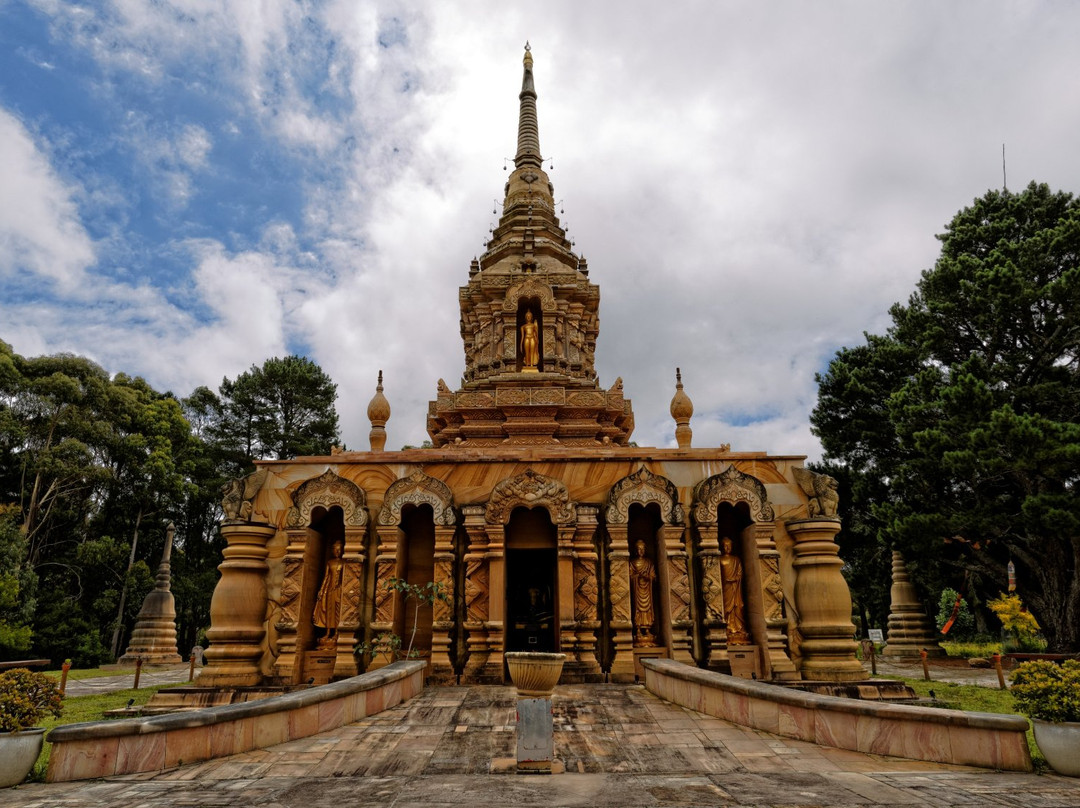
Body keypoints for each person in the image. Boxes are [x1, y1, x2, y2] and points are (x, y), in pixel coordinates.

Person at [313, 540, 345, 648]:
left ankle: (336, 633)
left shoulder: (344, 562)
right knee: (328, 611)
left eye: (339, 549)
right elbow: (327, 577)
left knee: (337, 611)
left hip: (339, 590)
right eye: (335, 550)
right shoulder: (330, 562)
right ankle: (327, 633)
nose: (337, 552)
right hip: (329, 590)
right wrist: (321, 590)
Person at [719, 537, 749, 645]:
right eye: (725, 546)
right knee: (726, 609)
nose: (727, 548)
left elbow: (740, 572)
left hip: (735, 587)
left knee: (738, 607)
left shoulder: (736, 559)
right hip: (725, 587)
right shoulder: (720, 559)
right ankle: (727, 626)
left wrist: (735, 579)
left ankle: (737, 628)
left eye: (729, 546)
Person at [629, 539, 657, 646]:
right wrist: (637, 576)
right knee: (637, 608)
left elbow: (653, 576)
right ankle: (638, 629)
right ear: (636, 551)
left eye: (642, 549)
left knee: (648, 608)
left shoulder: (649, 563)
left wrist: (647, 577)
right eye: (639, 549)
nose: (641, 551)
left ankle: (648, 629)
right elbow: (630, 576)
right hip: (637, 589)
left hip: (647, 590)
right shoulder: (632, 563)